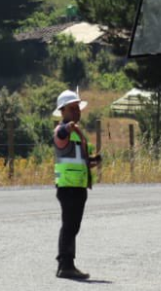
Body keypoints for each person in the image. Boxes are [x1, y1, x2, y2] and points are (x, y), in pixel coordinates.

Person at [52, 90, 101, 280]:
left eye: (77, 108)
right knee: (69, 226)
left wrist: (93, 161)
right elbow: (61, 133)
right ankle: (65, 265)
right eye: (72, 108)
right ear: (62, 111)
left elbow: (82, 161)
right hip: (67, 187)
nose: (76, 111)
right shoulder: (62, 130)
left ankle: (67, 264)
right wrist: (68, 127)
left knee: (73, 226)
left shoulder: (79, 134)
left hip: (78, 186)